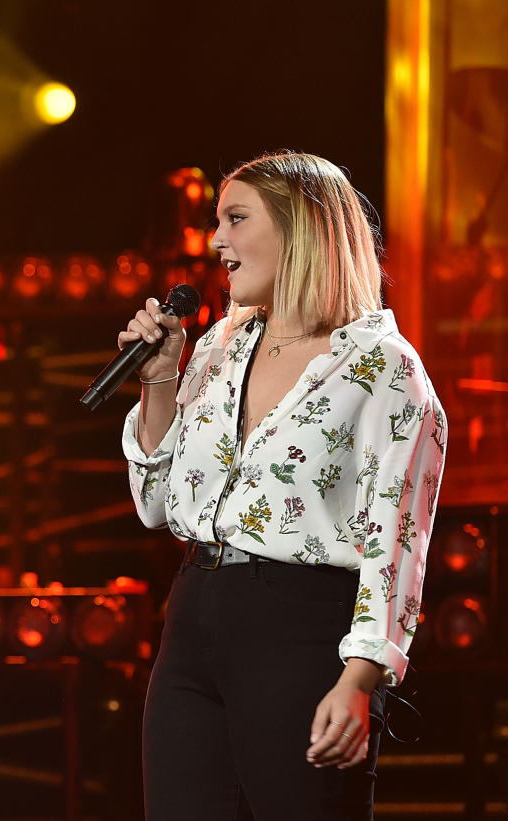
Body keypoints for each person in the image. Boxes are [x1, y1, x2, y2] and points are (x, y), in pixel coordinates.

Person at [119, 151, 445, 819]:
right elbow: (156, 504)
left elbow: (398, 539)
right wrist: (157, 379)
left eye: (236, 219)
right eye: (218, 222)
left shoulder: (381, 366)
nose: (217, 242)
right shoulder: (219, 346)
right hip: (194, 614)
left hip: (300, 627)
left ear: (301, 229)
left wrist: (361, 677)